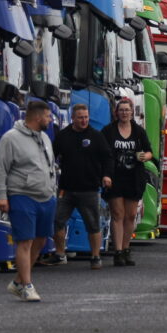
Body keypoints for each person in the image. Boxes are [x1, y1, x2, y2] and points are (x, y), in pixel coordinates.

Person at [0, 100, 57, 302]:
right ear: (37, 117)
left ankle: (18, 282)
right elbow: (0, 169)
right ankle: (27, 286)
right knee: (25, 241)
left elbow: (50, 165)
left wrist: (53, 191)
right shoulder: (10, 138)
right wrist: (2, 196)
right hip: (22, 195)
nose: (50, 120)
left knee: (41, 239)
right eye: (48, 116)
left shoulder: (45, 137)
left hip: (46, 195)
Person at [51, 103, 112, 270]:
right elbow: (51, 157)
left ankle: (95, 256)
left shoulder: (96, 136)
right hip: (66, 188)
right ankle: (60, 254)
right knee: (57, 221)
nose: (84, 120)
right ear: (72, 118)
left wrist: (107, 175)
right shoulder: (63, 136)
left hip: (89, 189)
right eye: (80, 118)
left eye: (86, 117)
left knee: (93, 224)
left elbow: (107, 158)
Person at [102, 99, 152, 267]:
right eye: (121, 110)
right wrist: (105, 174)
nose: (124, 113)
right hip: (115, 177)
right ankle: (117, 251)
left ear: (132, 112)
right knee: (118, 214)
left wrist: (145, 156)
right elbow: (102, 152)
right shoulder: (108, 131)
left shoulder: (139, 131)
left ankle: (126, 249)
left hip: (134, 177)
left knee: (130, 215)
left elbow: (149, 151)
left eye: (127, 110)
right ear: (116, 112)